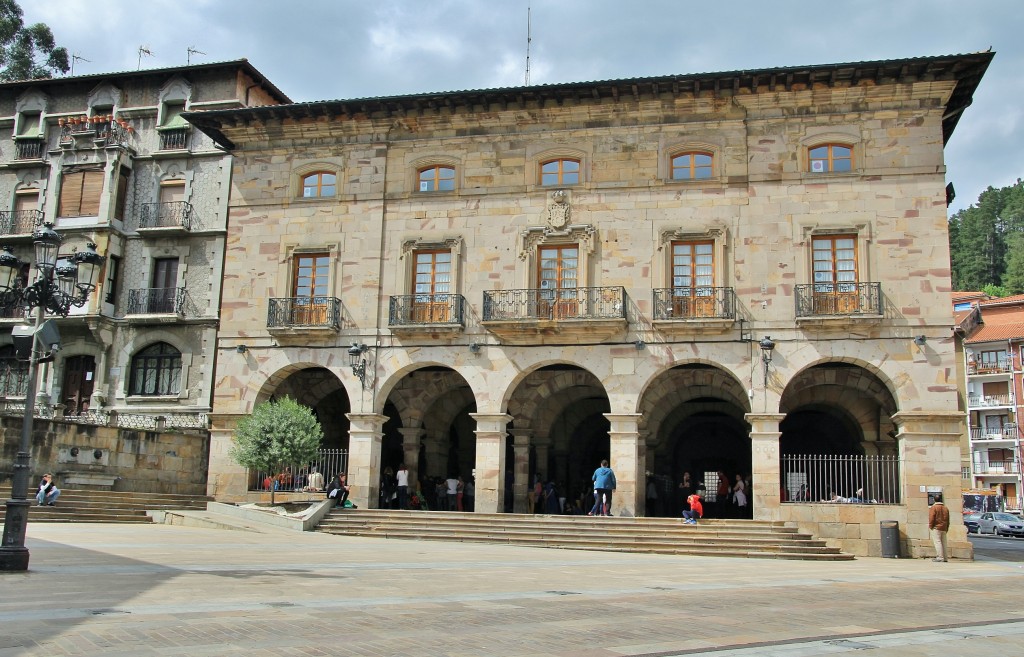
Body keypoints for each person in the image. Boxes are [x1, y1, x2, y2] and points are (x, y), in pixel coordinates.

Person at [928, 493, 950, 562]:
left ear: (934, 500)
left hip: (936, 527)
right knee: (944, 542)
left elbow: (931, 518)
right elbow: (948, 519)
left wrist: (931, 526)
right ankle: (945, 557)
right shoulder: (945, 508)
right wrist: (947, 527)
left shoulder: (934, 508)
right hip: (944, 527)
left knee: (937, 542)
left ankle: (940, 557)